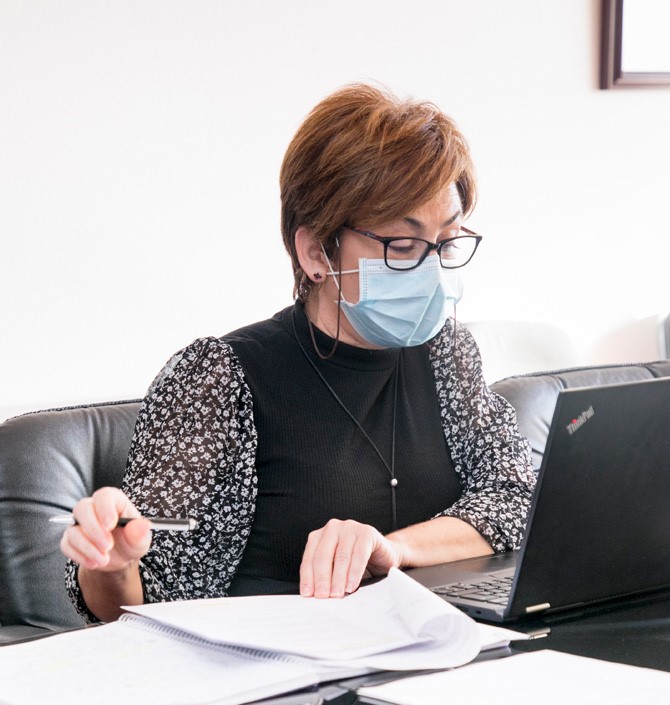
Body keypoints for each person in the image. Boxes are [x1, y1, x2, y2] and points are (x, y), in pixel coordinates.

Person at [61, 83, 535, 624]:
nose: (431, 271)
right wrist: (111, 566)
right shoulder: (218, 377)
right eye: (402, 247)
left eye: (445, 243)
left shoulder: (445, 353)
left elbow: (514, 496)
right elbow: (142, 605)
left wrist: (394, 549)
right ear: (315, 252)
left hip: (433, 646)